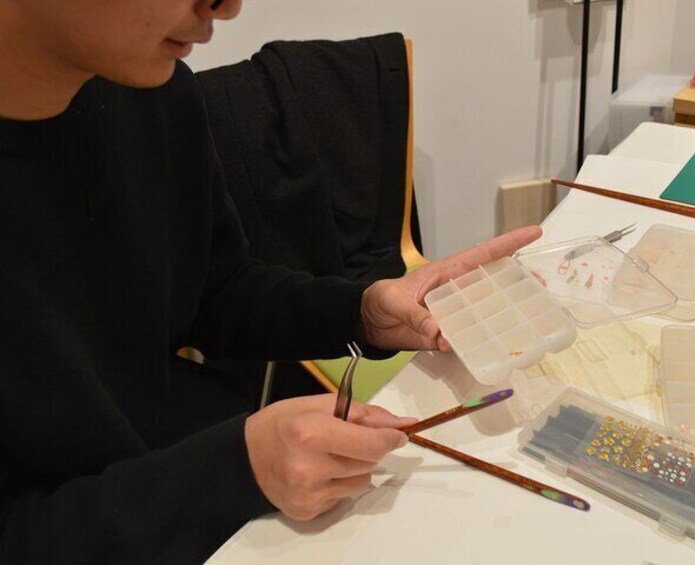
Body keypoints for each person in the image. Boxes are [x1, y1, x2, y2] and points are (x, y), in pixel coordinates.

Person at [0, 0, 542, 562]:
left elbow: (216, 290)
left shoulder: (148, 90)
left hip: (187, 481)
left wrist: (361, 311)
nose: (228, 7)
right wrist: (238, 470)